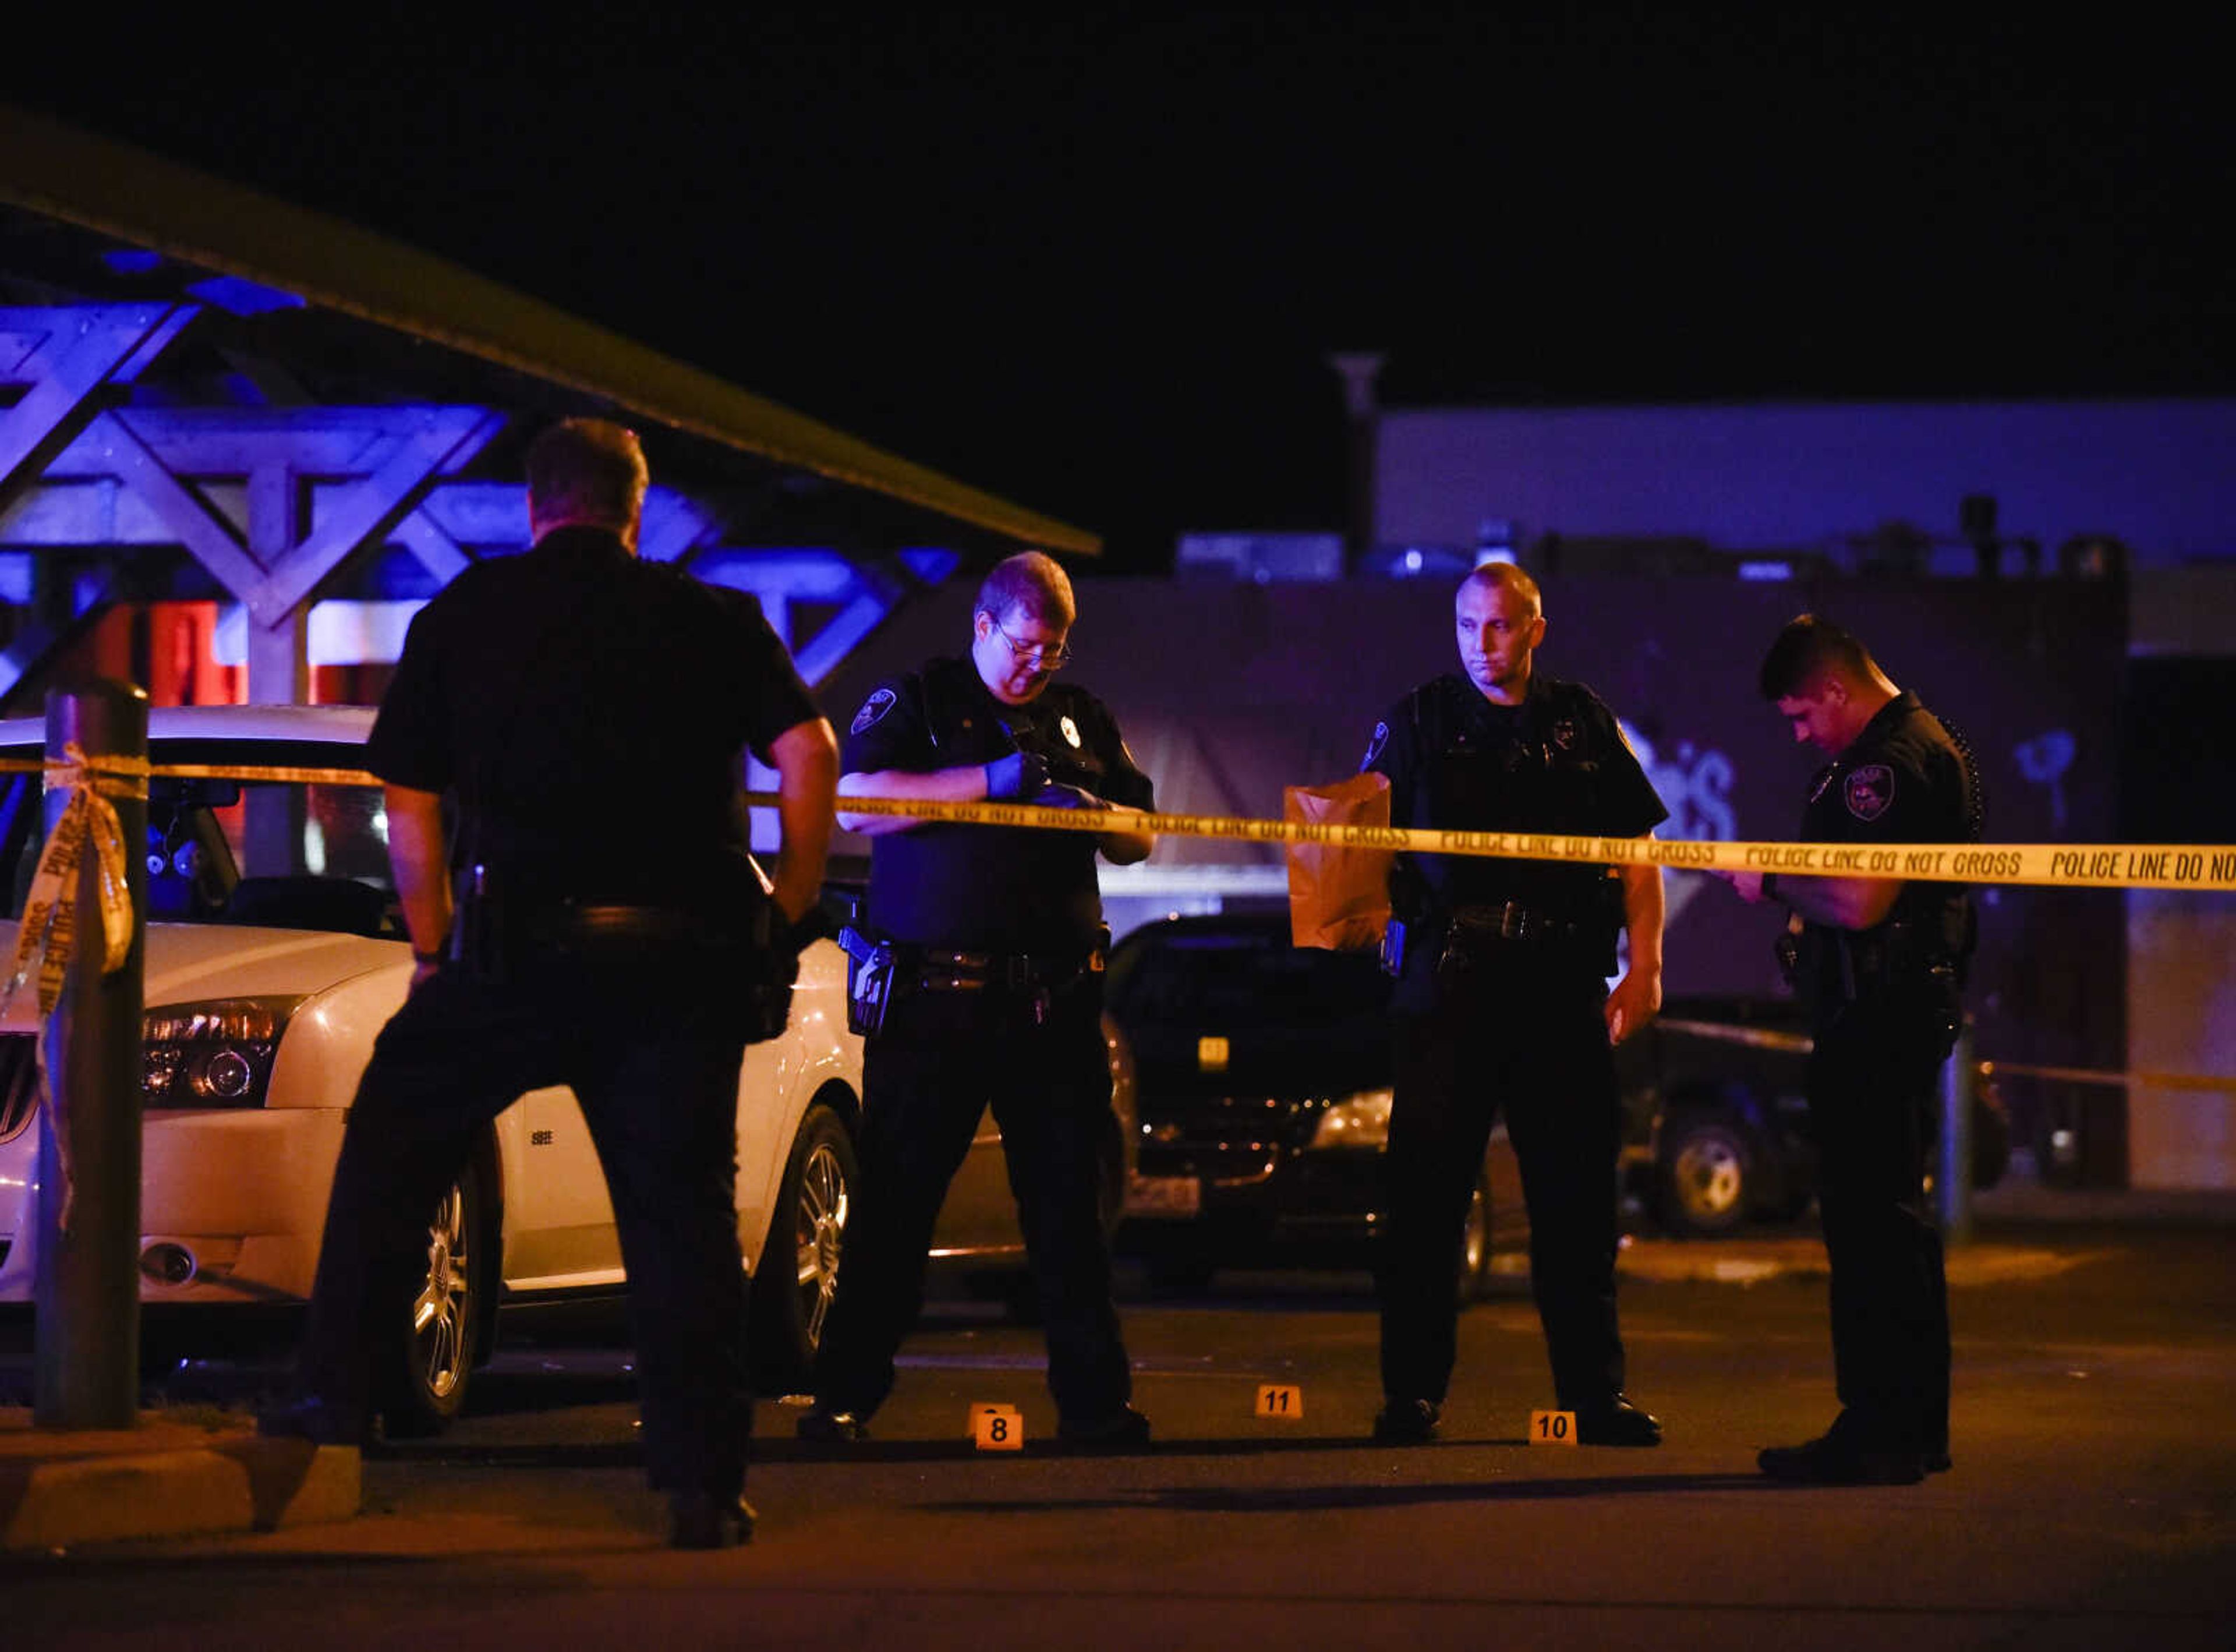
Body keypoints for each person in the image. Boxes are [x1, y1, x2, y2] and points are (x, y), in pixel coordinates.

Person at [260, 419, 838, 1550]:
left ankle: (330, 1398)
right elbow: (811, 753)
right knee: (682, 1223)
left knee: (388, 1154)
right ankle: (702, 1484)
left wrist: (432, 950)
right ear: (636, 508)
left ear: (534, 508)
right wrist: (790, 911)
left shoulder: (466, 616)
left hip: (514, 952)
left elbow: (410, 805)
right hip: (679, 961)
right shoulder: (709, 618)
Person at [799, 551, 1156, 1449]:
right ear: (985, 626)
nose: (1039, 667)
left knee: (1069, 1219)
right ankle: (843, 1399)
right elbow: (856, 801)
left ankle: (1095, 1407)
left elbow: (1143, 832)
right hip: (938, 1004)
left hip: (1055, 1006)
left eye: (1056, 651)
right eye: (1028, 647)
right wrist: (991, 785)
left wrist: (1095, 813)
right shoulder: (922, 700)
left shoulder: (1081, 718)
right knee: (895, 1211)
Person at [1361, 561, 1667, 1446]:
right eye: (1467, 626)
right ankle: (1412, 1393)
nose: (1482, 645)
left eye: (1499, 626)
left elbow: (1637, 854)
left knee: (1576, 1199)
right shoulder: (1417, 719)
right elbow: (1352, 843)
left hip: (1558, 979)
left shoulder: (1580, 723)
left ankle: (1594, 1394)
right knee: (1426, 1197)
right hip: (1450, 978)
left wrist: (1646, 963)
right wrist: (1370, 929)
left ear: (1536, 628)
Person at [1720, 614, 1977, 1485]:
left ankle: (1882, 1427)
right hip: (1884, 1006)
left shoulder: (1887, 763)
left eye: (1800, 715)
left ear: (1835, 688)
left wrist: (1768, 879)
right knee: (1884, 1218)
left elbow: (1863, 900)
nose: (1798, 734)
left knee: (1873, 1222)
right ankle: (1903, 1424)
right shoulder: (1913, 745)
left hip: (1880, 1010)